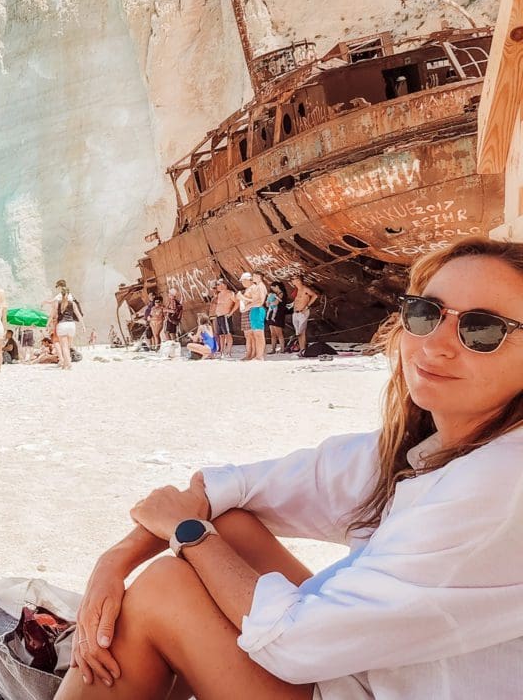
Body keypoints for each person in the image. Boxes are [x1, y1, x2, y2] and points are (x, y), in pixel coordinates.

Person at [55, 236, 523, 700]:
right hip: (369, 671)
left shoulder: (499, 482)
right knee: (229, 523)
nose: (434, 344)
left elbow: (297, 644)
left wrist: (188, 533)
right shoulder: (437, 447)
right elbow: (234, 488)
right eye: (425, 314)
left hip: (370, 680)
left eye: (482, 330)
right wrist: (115, 560)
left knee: (163, 591)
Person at [53, 285, 84, 370]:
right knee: (68, 346)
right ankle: (65, 364)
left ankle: (69, 364)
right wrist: (83, 326)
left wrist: (47, 324)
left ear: (61, 294)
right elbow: (78, 315)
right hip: (71, 326)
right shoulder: (72, 303)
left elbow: (53, 314)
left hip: (62, 325)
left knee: (64, 347)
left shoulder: (58, 303)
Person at [291, 275, 320, 355]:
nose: (292, 281)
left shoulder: (305, 289)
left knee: (302, 332)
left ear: (298, 281)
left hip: (302, 312)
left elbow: (315, 296)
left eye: (294, 279)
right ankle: (301, 349)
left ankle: (303, 349)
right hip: (296, 312)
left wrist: (307, 306)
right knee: (298, 333)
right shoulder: (297, 290)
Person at [211, 280, 237, 358]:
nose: (217, 286)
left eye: (218, 284)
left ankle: (228, 352)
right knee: (221, 335)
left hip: (225, 316)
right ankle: (222, 351)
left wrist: (231, 312)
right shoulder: (219, 294)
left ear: (224, 285)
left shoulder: (230, 293)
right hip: (218, 316)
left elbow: (237, 302)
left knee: (228, 334)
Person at [266, 281, 289, 354]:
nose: (272, 290)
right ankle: (273, 349)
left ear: (277, 286)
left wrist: (270, 300)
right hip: (272, 313)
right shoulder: (274, 295)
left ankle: (282, 349)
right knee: (272, 333)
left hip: (278, 314)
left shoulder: (281, 294)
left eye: (273, 288)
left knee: (279, 333)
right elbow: (267, 304)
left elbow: (276, 303)